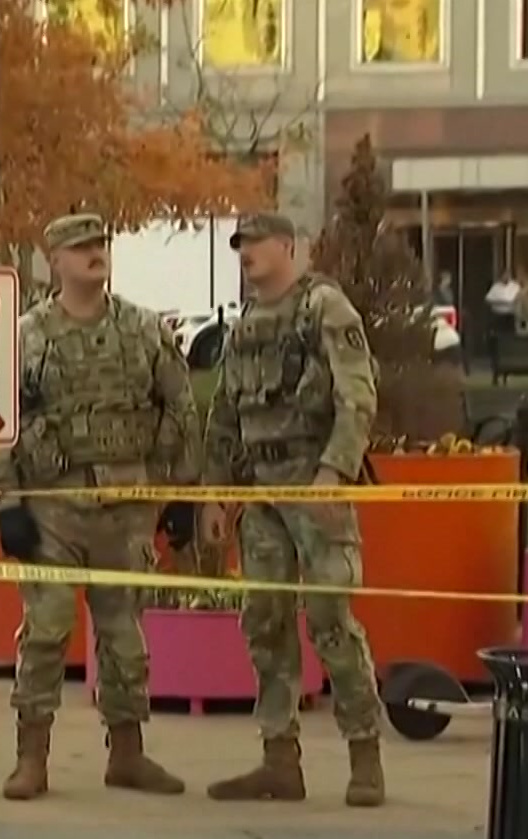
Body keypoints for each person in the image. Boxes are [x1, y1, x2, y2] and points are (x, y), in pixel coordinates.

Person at [0, 212, 197, 801]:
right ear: (53, 260)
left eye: (100, 244)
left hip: (126, 505)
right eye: (80, 247)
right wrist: (7, 500)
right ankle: (32, 757)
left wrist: (180, 491)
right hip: (54, 506)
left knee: (124, 633)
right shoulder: (26, 336)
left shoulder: (142, 329)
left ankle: (127, 754)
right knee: (48, 629)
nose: (94, 254)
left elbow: (180, 409)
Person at [198, 212, 388, 807]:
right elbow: (225, 415)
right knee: (266, 620)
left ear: (288, 246)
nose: (245, 253)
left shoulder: (325, 308)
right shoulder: (245, 324)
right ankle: (279, 758)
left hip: (314, 485)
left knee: (331, 617)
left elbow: (357, 394)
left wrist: (335, 472)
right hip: (261, 494)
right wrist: (215, 492)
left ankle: (365, 754)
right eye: (238, 246)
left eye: (254, 244)